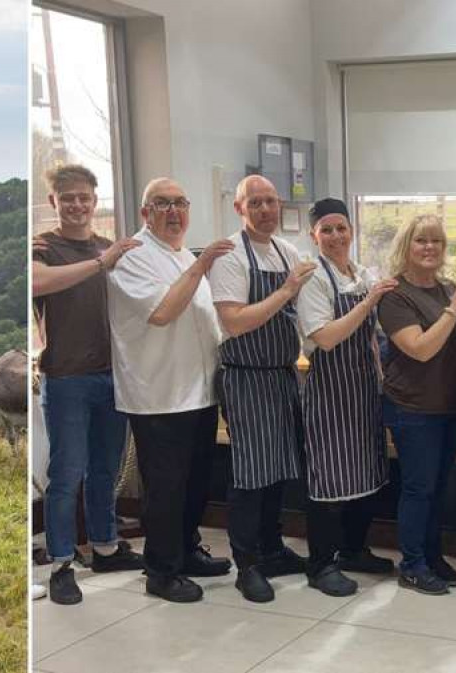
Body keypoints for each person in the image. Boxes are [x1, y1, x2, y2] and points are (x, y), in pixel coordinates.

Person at [106, 177, 233, 602]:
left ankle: (186, 550)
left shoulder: (180, 256)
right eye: (163, 204)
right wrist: (202, 266)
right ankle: (161, 570)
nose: (174, 211)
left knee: (197, 481)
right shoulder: (134, 256)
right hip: (159, 396)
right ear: (146, 213)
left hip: (199, 391)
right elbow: (162, 313)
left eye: (181, 202)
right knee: (166, 488)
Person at [31, 164, 144, 605]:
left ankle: (105, 546)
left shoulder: (109, 246)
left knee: (105, 470)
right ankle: (61, 563)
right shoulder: (44, 246)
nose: (78, 205)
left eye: (85, 197)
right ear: (54, 203)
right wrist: (100, 263)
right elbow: (37, 281)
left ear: (95, 202)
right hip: (66, 379)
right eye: (68, 198)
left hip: (113, 377)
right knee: (67, 474)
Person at [206, 175, 317, 603]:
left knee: (278, 471)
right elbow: (233, 322)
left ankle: (272, 548)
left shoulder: (286, 251)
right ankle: (246, 563)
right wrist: (288, 289)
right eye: (256, 202)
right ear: (240, 209)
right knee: (250, 475)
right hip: (246, 375)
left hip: (283, 374)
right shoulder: (230, 256)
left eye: (271, 201)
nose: (266, 209)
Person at [296, 197, 398, 597]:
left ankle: (354, 549)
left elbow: (375, 335)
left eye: (342, 228)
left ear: (351, 231)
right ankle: (320, 564)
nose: (336, 236)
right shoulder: (313, 278)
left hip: (363, 390)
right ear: (313, 235)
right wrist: (371, 301)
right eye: (327, 230)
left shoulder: (360, 272)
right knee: (328, 480)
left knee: (365, 474)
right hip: (329, 393)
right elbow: (325, 337)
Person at [378, 214, 456, 595]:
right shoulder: (394, 295)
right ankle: (413, 563)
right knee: (419, 488)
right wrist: (455, 309)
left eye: (436, 241)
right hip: (413, 409)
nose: (430, 247)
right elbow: (420, 349)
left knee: (439, 487)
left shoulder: (448, 287)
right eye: (422, 240)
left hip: (451, 406)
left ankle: (433, 556)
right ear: (407, 246)